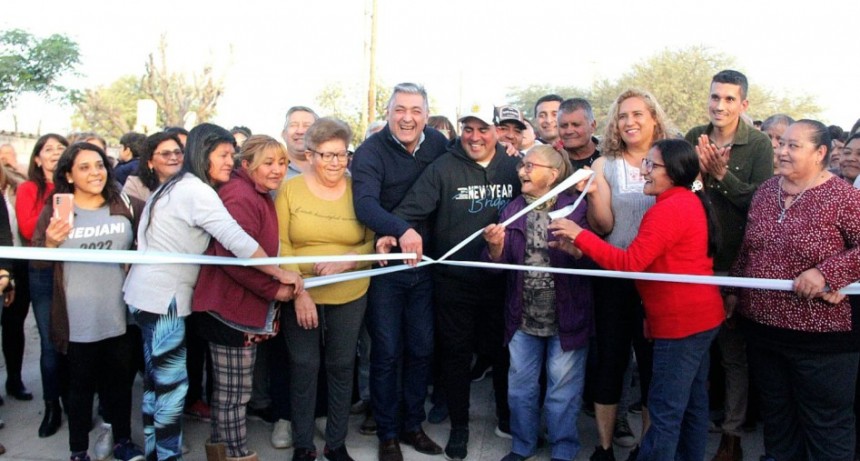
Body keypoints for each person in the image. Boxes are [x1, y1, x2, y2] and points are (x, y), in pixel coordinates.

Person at [122, 123, 302, 461]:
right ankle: (164, 455)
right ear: (201, 155)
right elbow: (236, 242)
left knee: (157, 385)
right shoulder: (197, 191)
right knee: (170, 387)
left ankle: (155, 451)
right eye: (223, 155)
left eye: (232, 155)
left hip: (150, 295)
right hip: (165, 299)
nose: (230, 163)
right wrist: (280, 274)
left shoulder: (180, 185)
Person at [550, 138, 725, 461]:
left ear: (673, 172)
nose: (643, 171)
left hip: (682, 325)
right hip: (699, 319)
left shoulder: (670, 209)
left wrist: (580, 235)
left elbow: (631, 263)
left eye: (651, 166)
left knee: (665, 413)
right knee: (692, 408)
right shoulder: (686, 201)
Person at [389, 102, 521, 461]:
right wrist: (393, 232)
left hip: (501, 280)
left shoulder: (514, 167)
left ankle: (506, 417)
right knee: (456, 355)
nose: (475, 137)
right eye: (468, 129)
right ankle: (459, 426)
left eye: (482, 129)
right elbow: (410, 211)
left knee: (502, 353)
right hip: (454, 281)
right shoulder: (443, 167)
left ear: (497, 131)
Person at [728, 120, 860, 461]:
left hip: (821, 341)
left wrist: (828, 273)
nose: (782, 151)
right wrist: (733, 290)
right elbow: (749, 248)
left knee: (825, 431)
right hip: (763, 334)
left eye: (793, 146)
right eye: (781, 144)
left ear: (820, 153)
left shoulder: (843, 197)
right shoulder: (766, 191)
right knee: (779, 425)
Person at [351, 82, 449, 461]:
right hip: (387, 268)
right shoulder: (370, 152)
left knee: (422, 349)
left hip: (427, 266)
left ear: (426, 114)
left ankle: (413, 424)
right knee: (387, 352)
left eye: (415, 110)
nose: (407, 118)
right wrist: (400, 230)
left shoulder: (439, 145)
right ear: (389, 112)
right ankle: (388, 433)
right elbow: (364, 205)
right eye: (400, 110)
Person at [32, 142, 146, 461]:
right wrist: (51, 244)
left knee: (119, 386)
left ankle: (122, 440)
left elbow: (150, 238)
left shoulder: (123, 203)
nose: (95, 172)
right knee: (80, 388)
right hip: (77, 318)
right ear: (68, 175)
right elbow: (38, 263)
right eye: (84, 167)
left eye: (99, 165)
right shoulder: (58, 210)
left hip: (120, 315)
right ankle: (78, 450)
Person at [580, 88, 676, 461]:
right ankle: (603, 447)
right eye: (622, 116)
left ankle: (645, 448)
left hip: (660, 279)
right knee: (611, 360)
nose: (630, 122)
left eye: (638, 114)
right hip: (615, 276)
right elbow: (603, 225)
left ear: (654, 118)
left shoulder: (674, 160)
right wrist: (591, 196)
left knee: (652, 365)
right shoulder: (605, 164)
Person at [483, 144, 593, 461]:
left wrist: (577, 251)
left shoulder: (577, 207)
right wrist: (494, 248)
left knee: (563, 391)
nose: (522, 171)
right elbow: (495, 267)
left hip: (567, 318)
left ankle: (563, 449)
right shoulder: (512, 209)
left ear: (554, 174)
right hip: (522, 318)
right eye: (522, 165)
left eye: (530, 166)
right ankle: (523, 445)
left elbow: (596, 260)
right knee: (520, 388)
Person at [685, 70, 774, 461]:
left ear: (744, 104)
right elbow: (680, 191)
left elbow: (763, 206)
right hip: (693, 258)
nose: (719, 106)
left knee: (733, 354)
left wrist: (722, 178)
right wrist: (699, 176)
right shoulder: (694, 137)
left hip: (737, 260)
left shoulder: (757, 145)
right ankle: (691, 426)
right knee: (692, 348)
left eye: (729, 99)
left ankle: (732, 435)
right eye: (715, 97)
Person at [190, 135, 296, 461]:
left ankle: (223, 450)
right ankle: (234, 454)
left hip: (237, 307)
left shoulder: (256, 191)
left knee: (233, 390)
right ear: (246, 165)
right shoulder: (239, 195)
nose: (278, 170)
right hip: (228, 309)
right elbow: (234, 257)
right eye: (268, 163)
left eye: (282, 162)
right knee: (234, 393)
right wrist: (274, 289)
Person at [276, 118, 375, 461]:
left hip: (350, 292)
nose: (335, 162)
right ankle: (304, 444)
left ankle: (336, 443)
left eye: (341, 154)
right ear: (311, 155)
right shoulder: (290, 190)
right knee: (303, 365)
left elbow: (373, 241)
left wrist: (349, 261)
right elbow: (281, 243)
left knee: (341, 364)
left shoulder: (358, 189)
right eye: (327, 155)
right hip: (300, 292)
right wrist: (299, 291)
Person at [15, 133, 70, 438]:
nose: (55, 153)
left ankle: (73, 400)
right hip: (43, 272)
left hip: (74, 271)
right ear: (37, 158)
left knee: (76, 341)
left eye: (61, 148)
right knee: (50, 343)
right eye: (48, 149)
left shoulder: (77, 187)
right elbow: (27, 228)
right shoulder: (29, 189)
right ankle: (52, 406)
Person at [122, 131, 185, 202]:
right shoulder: (136, 185)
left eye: (177, 152)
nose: (174, 157)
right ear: (150, 162)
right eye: (166, 154)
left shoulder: (191, 183)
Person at [557, 98, 600, 170]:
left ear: (592, 126)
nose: (569, 131)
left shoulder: (612, 155)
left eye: (576, 125)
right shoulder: (553, 161)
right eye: (564, 126)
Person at [281, 106, 319, 178]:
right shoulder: (269, 171)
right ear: (284, 134)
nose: (300, 131)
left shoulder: (334, 168)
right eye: (293, 125)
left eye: (307, 126)